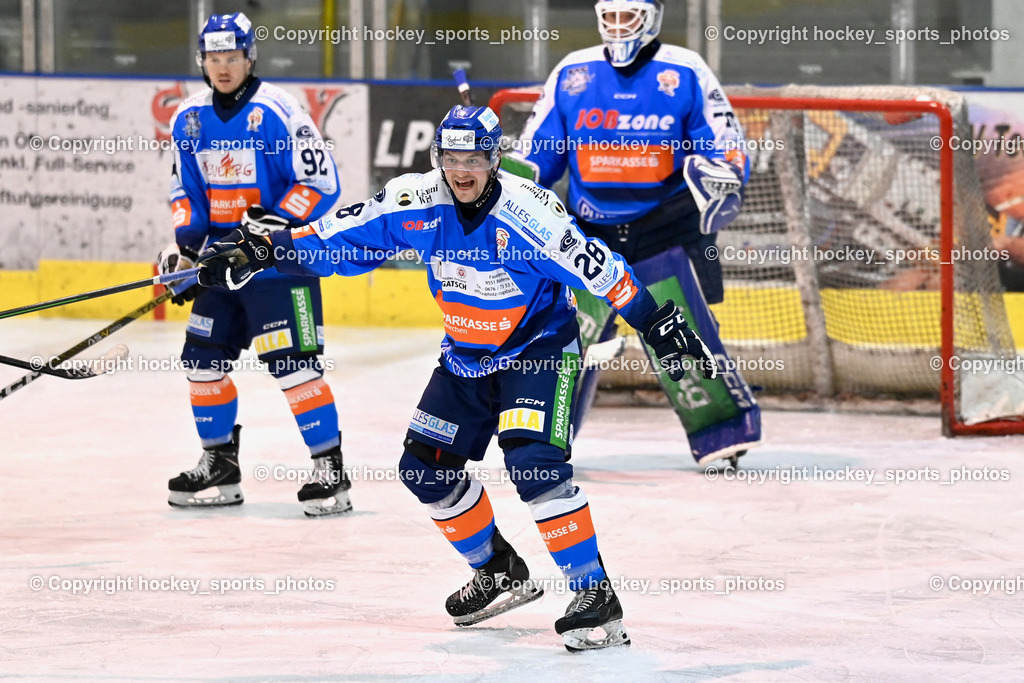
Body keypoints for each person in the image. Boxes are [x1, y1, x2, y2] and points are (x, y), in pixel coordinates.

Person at [195, 105, 717, 651]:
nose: (461, 170)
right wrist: (264, 251)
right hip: (465, 357)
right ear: (437, 159)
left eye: (472, 159)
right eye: (450, 158)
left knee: (533, 463)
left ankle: (596, 596)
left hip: (537, 352)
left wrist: (657, 323)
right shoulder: (414, 200)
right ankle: (498, 571)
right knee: (424, 468)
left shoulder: (530, 216)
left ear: (495, 160)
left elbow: (602, 269)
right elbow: (338, 238)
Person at [504, 0, 761, 467]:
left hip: (663, 228)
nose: (619, 27)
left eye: (630, 16)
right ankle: (545, 439)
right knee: (564, 341)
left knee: (681, 337)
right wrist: (505, 175)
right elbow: (540, 154)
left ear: (653, 17)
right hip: (587, 237)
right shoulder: (572, 72)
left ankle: (723, 433)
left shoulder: (685, 70)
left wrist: (726, 172)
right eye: (612, 16)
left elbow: (727, 145)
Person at [157, 12, 351, 516]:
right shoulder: (190, 117)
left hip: (277, 261)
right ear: (203, 61)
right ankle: (219, 463)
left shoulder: (280, 111)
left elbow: (320, 184)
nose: (223, 68)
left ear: (249, 58)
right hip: (221, 263)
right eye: (213, 59)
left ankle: (330, 470)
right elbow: (186, 190)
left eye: (232, 58)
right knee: (202, 364)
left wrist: (270, 230)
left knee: (294, 367)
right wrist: (186, 248)